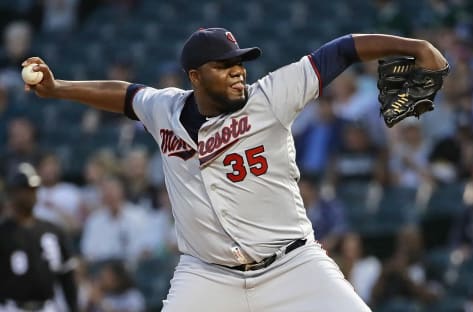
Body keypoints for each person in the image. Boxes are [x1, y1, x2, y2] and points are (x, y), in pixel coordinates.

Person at [23, 27, 448, 311]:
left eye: (240, 62)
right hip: (206, 276)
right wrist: (59, 88)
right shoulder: (165, 109)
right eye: (224, 65)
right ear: (195, 76)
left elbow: (341, 50)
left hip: (292, 265)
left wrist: (414, 47)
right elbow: (124, 95)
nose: (238, 71)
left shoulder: (272, 96)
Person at [0, 162, 78, 312]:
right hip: (11, 307)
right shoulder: (3, 232)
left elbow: (67, 277)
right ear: (12, 192)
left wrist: (74, 308)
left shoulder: (53, 230)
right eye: (25, 189)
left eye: (34, 189)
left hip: (47, 307)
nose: (31, 194)